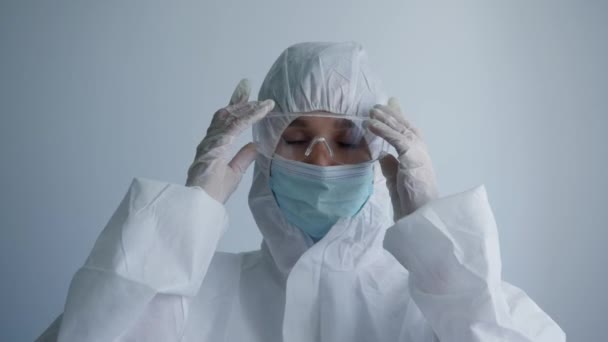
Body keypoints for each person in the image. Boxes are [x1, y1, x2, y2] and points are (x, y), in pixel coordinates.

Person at [37, 42, 565, 341]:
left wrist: (438, 243)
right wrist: (187, 215)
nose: (320, 157)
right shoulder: (193, 292)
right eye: (295, 138)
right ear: (263, 155)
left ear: (383, 160)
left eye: (348, 139)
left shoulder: (441, 304)